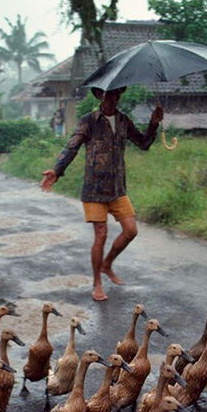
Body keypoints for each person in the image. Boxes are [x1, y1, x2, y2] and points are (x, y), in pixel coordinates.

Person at [40, 87, 163, 302]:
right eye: (108, 95)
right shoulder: (89, 121)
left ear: (119, 96)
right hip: (94, 190)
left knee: (131, 231)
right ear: (99, 96)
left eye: (116, 95)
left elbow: (143, 144)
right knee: (101, 235)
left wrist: (153, 123)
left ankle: (107, 264)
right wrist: (57, 170)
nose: (112, 100)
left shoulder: (124, 120)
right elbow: (72, 147)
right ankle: (97, 282)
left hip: (117, 189)